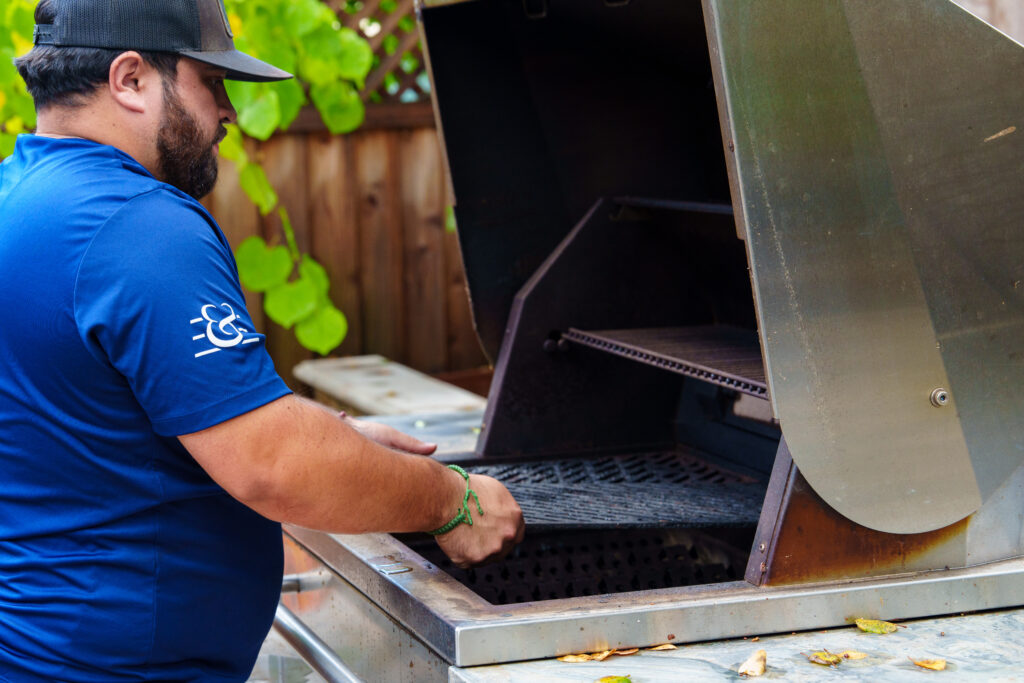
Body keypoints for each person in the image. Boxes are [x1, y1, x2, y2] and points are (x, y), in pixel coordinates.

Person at [0, 0, 525, 680]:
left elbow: (100, 417)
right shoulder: (139, 224)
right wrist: (453, 501)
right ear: (130, 79)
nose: (227, 111)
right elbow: (271, 463)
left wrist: (339, 440)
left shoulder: (19, 196)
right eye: (211, 83)